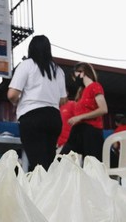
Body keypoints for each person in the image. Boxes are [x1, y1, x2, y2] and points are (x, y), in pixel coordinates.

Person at [7, 35, 67, 171]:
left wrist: (17, 101)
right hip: (53, 117)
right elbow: (63, 99)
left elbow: (12, 94)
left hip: (32, 117)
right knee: (49, 163)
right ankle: (51, 190)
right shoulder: (58, 70)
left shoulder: (27, 65)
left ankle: (39, 190)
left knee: (38, 166)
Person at [60, 62, 107, 160]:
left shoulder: (95, 86)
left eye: (75, 76)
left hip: (91, 130)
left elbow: (103, 109)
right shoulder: (81, 92)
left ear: (82, 72)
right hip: (78, 130)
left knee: (91, 164)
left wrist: (80, 117)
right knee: (62, 159)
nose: (74, 80)